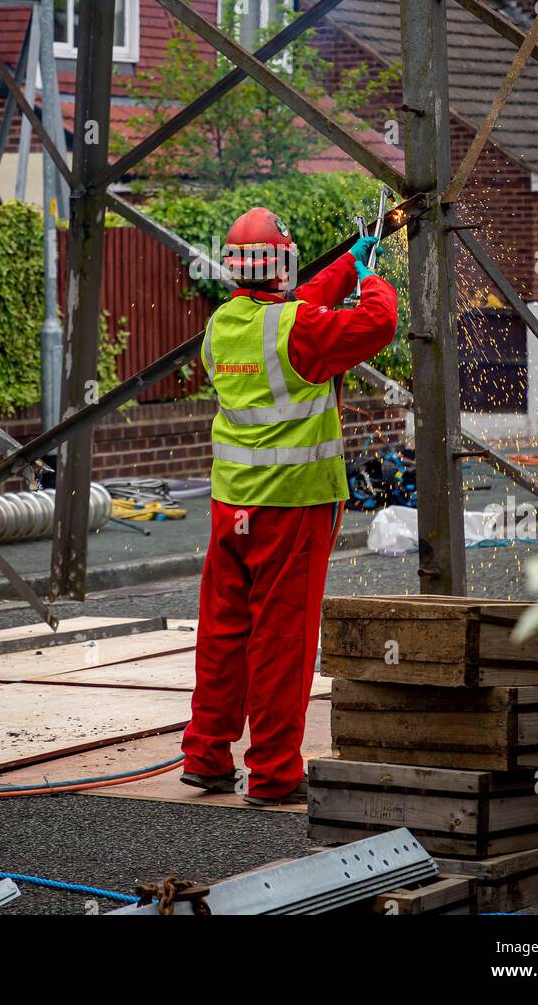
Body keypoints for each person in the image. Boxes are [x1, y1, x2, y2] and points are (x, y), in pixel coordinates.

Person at [180, 206, 399, 806]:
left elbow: (291, 306)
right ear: (283, 266)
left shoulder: (223, 325)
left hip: (233, 510)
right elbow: (378, 323)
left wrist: (347, 264)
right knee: (283, 640)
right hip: (293, 511)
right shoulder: (301, 331)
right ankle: (276, 773)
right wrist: (373, 278)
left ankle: (205, 756)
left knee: (224, 632)